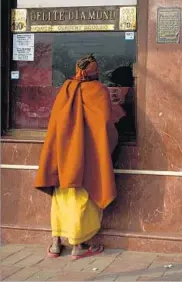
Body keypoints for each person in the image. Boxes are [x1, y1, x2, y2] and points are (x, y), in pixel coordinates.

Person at [34, 54, 118, 260]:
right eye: (97, 69)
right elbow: (105, 125)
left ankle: (55, 244)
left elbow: (56, 123)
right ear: (94, 71)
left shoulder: (65, 89)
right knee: (81, 198)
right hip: (87, 155)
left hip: (62, 155)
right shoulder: (99, 90)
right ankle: (78, 246)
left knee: (60, 198)